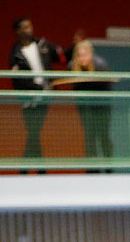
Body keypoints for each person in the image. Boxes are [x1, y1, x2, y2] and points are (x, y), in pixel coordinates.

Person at [7, 18, 63, 165]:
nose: (29, 29)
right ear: (18, 31)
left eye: (30, 26)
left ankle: (31, 169)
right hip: (28, 100)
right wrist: (37, 88)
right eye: (25, 27)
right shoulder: (15, 54)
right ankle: (35, 168)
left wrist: (74, 47)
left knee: (34, 133)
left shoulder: (41, 45)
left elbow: (61, 56)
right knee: (33, 133)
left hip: (44, 97)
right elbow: (18, 80)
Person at [68, 40, 113, 168]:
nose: (82, 58)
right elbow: (76, 89)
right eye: (79, 55)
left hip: (102, 106)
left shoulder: (100, 65)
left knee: (104, 135)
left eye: (85, 55)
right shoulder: (73, 66)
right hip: (84, 108)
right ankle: (92, 168)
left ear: (91, 54)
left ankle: (109, 166)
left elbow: (107, 87)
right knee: (89, 136)